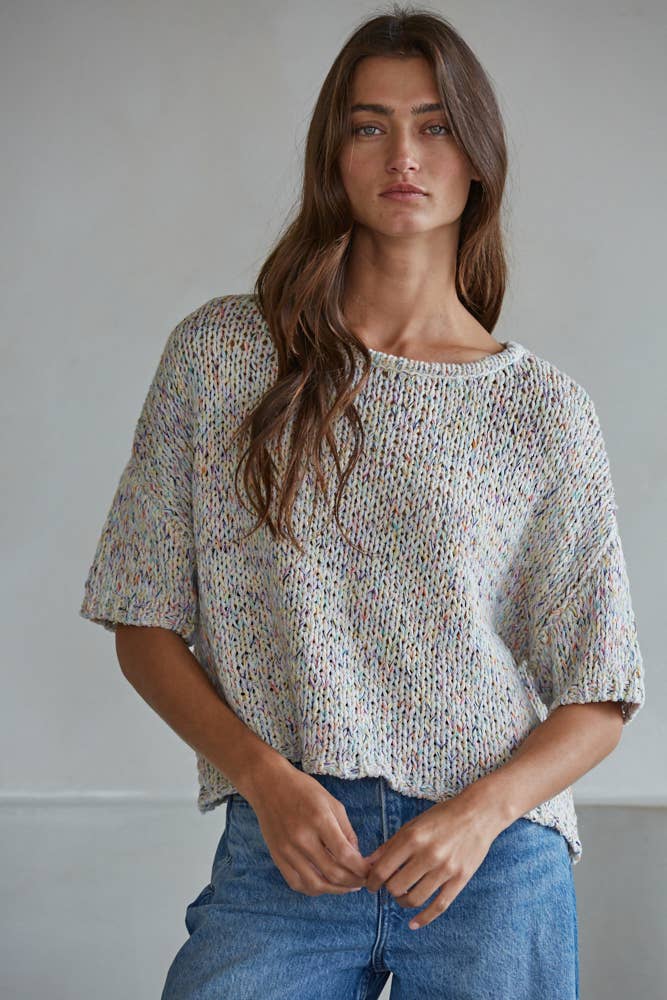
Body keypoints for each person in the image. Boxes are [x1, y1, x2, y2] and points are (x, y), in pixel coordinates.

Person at [79, 7, 646, 999]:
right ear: (331, 157)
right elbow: (142, 618)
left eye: (434, 125)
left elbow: (600, 690)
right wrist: (263, 778)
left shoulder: (541, 409)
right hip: (287, 845)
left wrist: (480, 815)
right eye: (368, 125)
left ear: (477, 159)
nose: (402, 155)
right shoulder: (222, 356)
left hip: (488, 858)